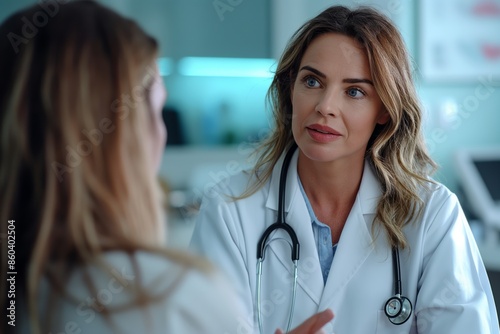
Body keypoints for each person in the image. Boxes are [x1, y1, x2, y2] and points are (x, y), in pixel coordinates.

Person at [0, 1, 335, 333]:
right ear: (126, 136)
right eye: (158, 110)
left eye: (354, 91)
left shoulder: (16, 288)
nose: (326, 107)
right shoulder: (169, 300)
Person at [190, 5, 500, 334]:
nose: (325, 106)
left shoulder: (433, 215)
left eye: (354, 91)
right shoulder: (229, 209)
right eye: (312, 81)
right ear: (290, 88)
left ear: (384, 109)